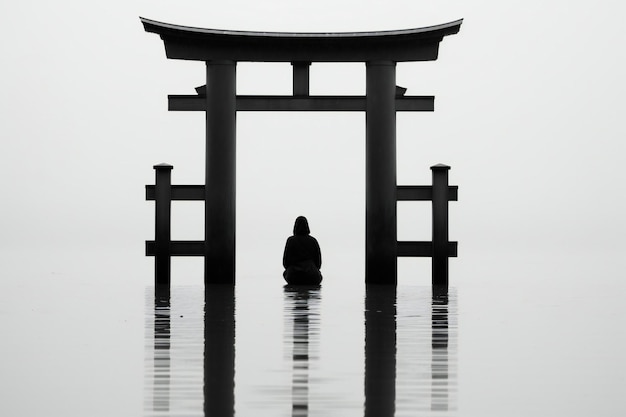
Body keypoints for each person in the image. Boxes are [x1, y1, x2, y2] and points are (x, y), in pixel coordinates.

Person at [282, 216, 323, 285]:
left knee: (285, 273)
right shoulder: (313, 241)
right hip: (312, 276)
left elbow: (285, 262)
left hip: (294, 276)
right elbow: (318, 263)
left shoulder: (291, 240)